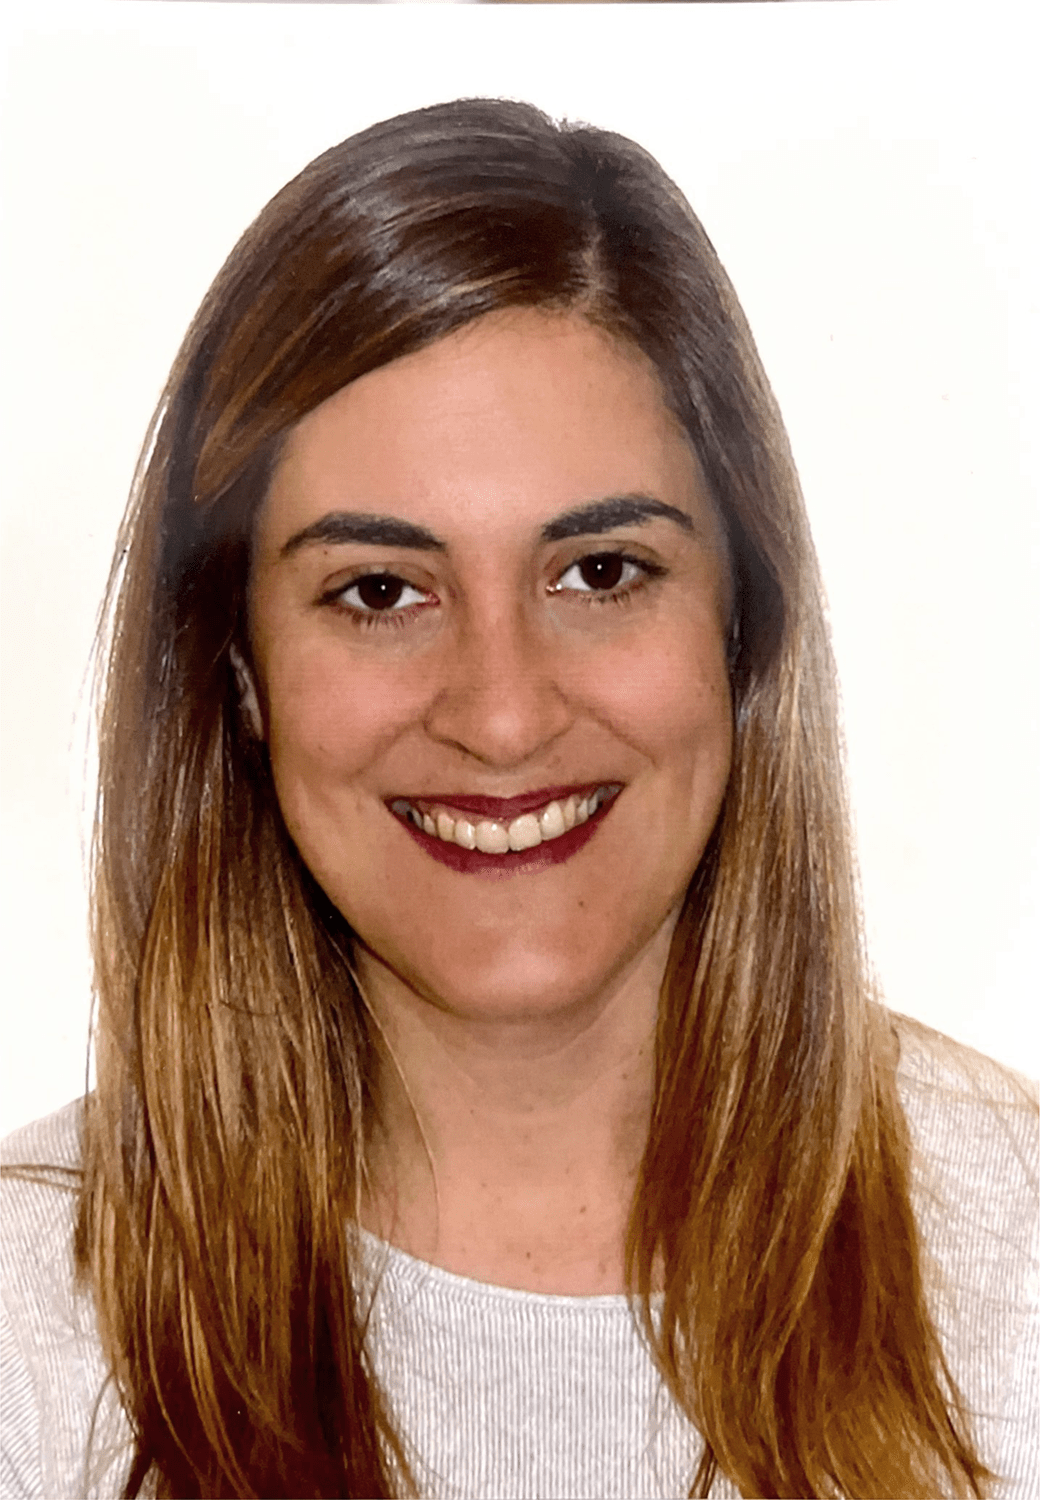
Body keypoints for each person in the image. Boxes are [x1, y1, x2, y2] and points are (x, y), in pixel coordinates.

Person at [1, 97, 1035, 1500]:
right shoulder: (27, 1333)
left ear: (743, 630)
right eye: (381, 592)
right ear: (236, 672)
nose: (501, 714)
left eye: (599, 573)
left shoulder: (1016, 1262)